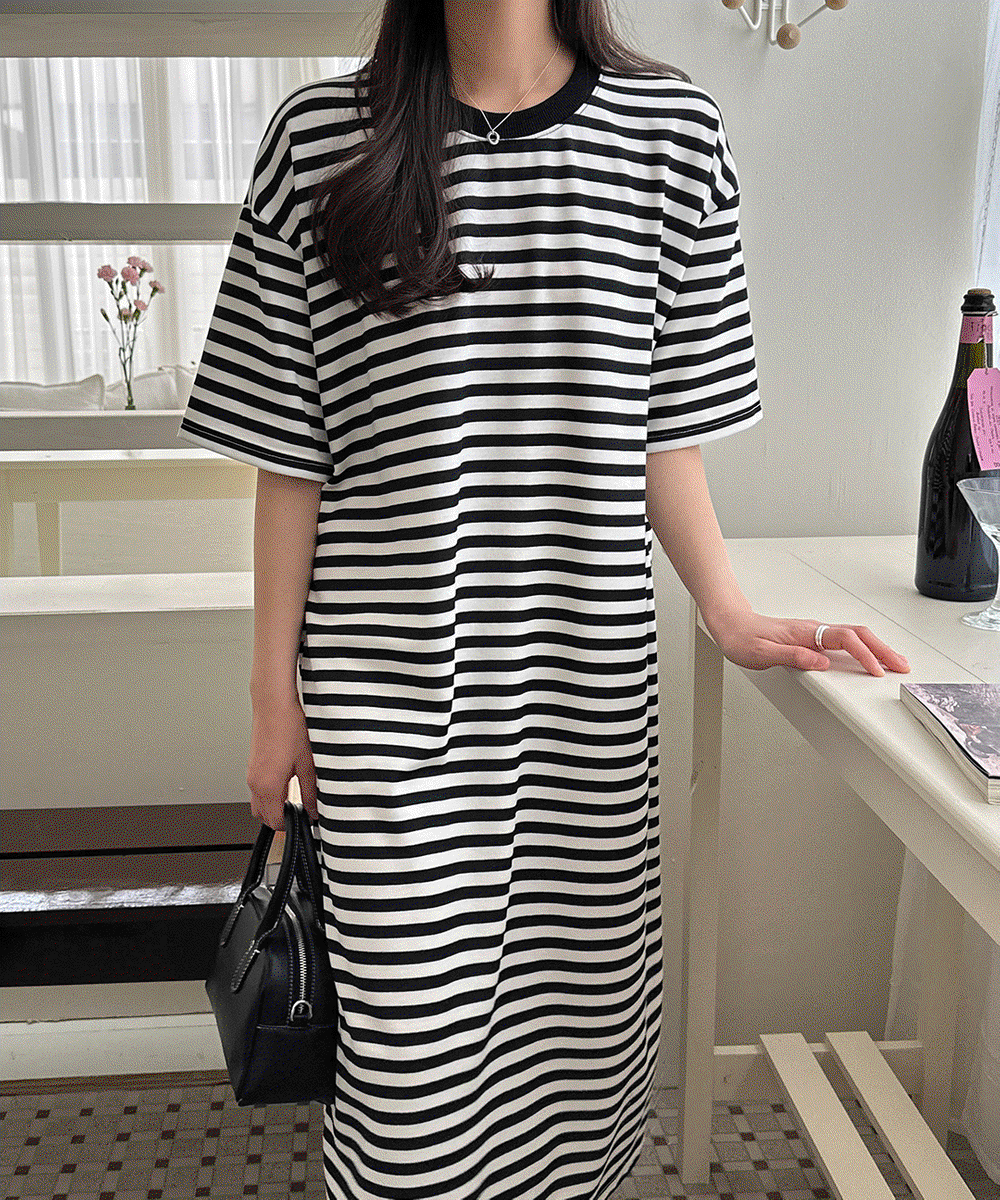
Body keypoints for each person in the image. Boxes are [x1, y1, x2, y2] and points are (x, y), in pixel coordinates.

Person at [178, 2, 911, 1196]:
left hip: (583, 690)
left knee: (574, 1039)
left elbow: (664, 431)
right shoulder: (317, 141)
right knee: (408, 1069)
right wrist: (273, 699)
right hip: (385, 696)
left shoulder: (671, 135)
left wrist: (724, 605)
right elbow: (288, 453)